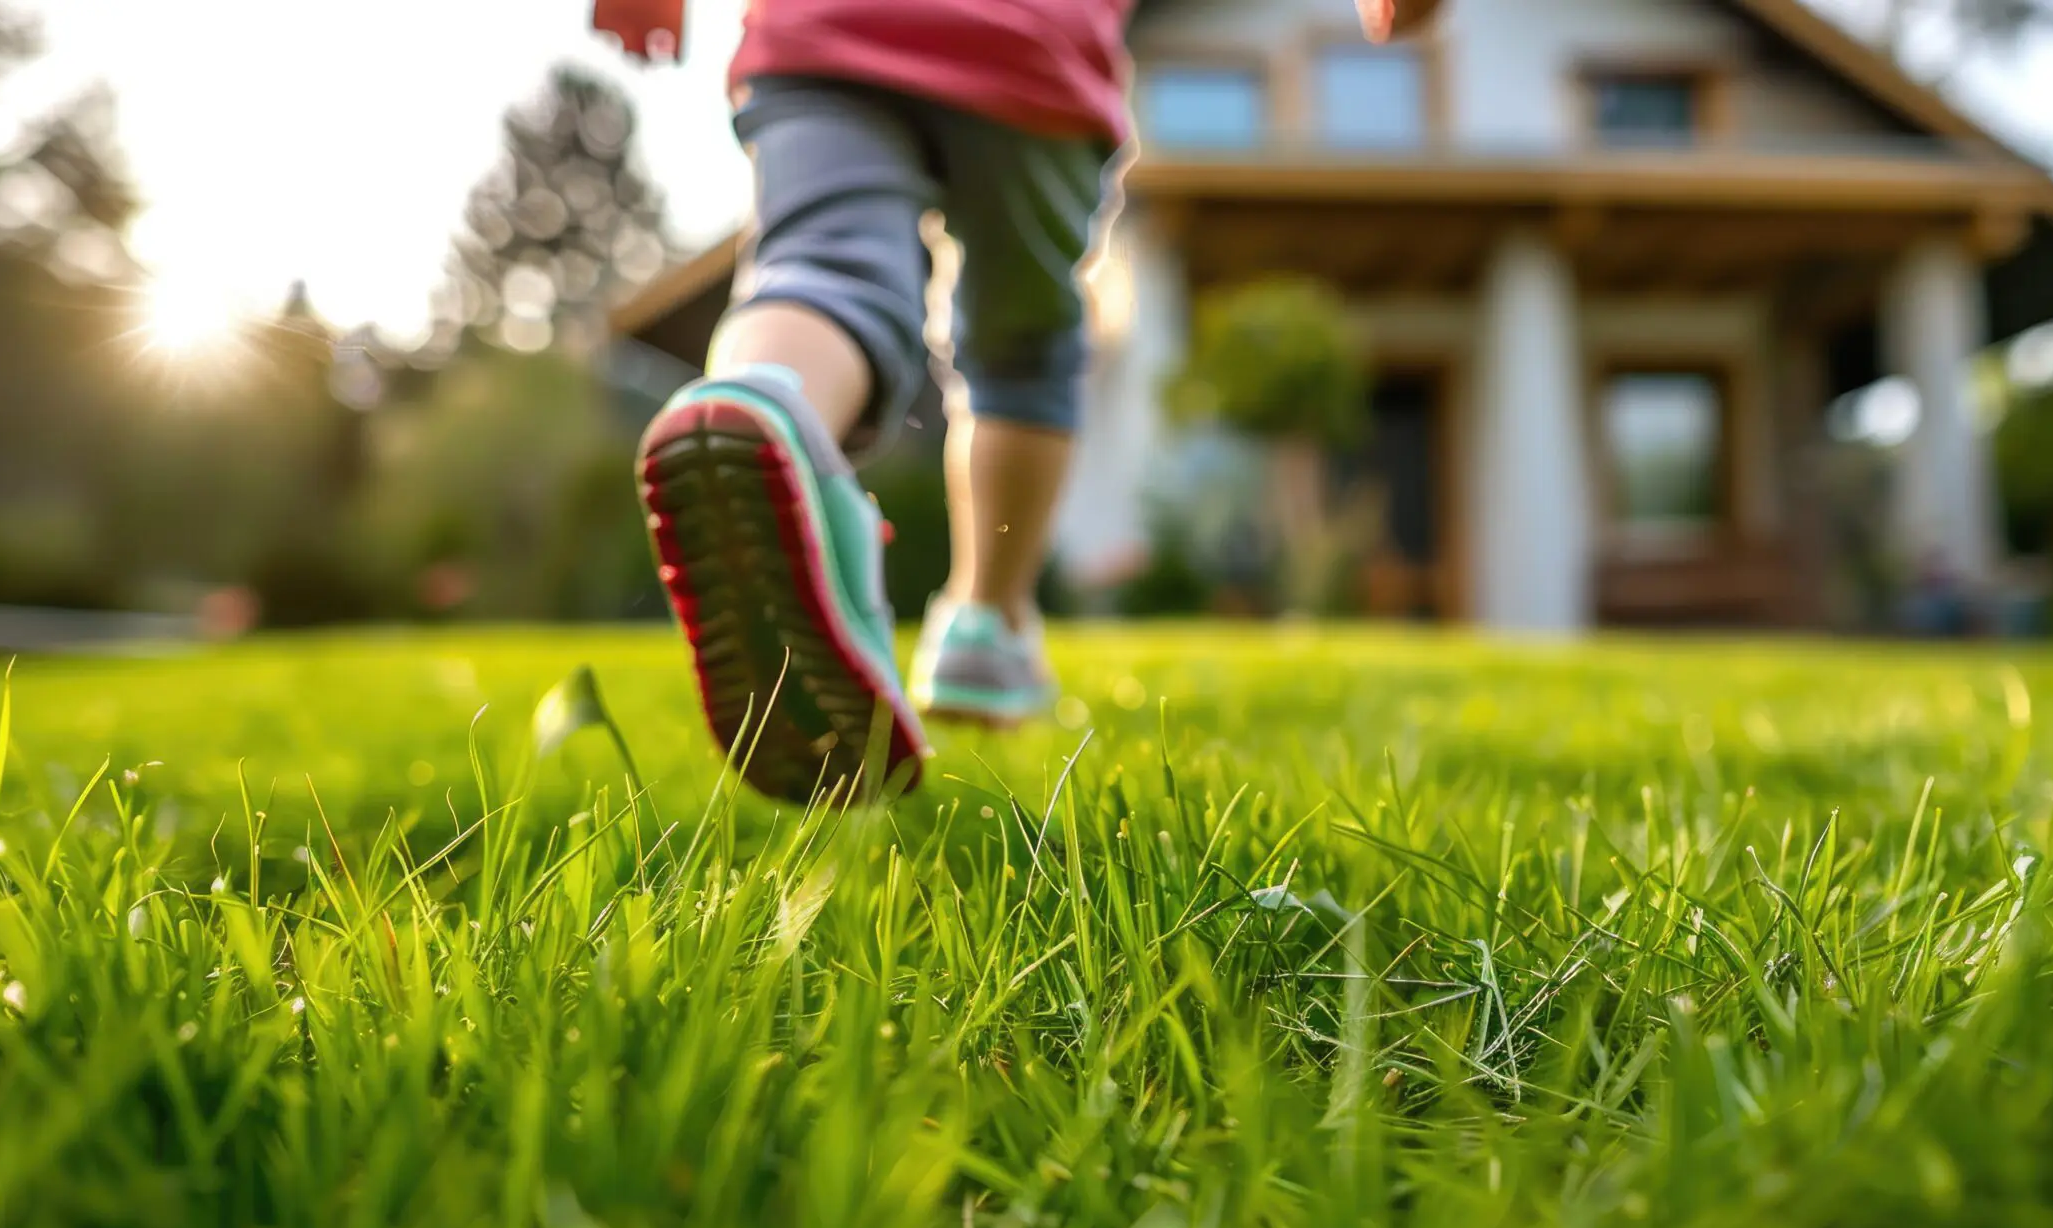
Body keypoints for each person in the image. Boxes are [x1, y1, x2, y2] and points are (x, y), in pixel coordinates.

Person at [602, 0, 1440, 801]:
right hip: (1028, 46)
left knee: (824, 269)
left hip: (822, 30)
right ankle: (988, 623)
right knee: (1021, 351)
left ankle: (765, 404)